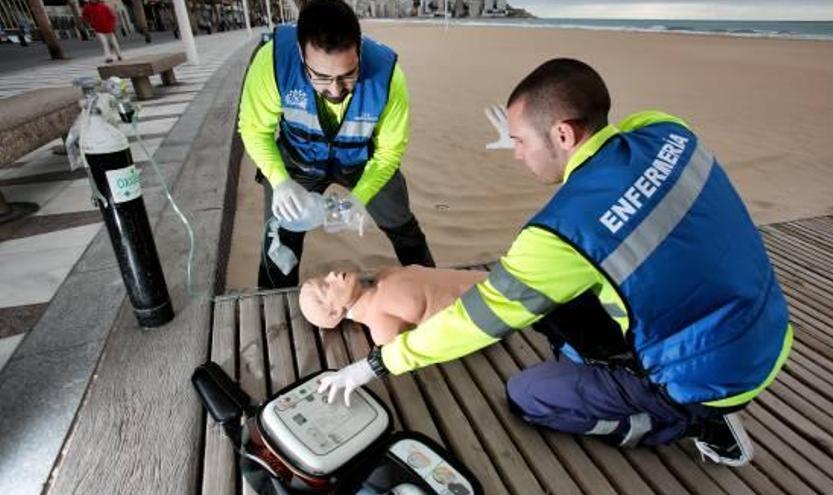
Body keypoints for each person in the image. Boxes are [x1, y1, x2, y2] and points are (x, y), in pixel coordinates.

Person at [317, 58, 794, 467]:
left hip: (709, 372)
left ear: (564, 133)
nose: (517, 153)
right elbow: (613, 152)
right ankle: (636, 374)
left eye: (520, 141)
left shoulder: (561, 233)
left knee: (531, 394)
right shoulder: (665, 128)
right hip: (767, 324)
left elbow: (476, 320)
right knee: (557, 297)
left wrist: (375, 366)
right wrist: (536, 140)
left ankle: (693, 421)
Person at [239, 0, 435, 289]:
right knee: (279, 236)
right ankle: (271, 306)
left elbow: (389, 151)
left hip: (362, 162)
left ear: (360, 50)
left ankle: (431, 285)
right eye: (320, 77)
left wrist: (361, 197)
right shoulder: (271, 63)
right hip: (298, 159)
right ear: (300, 54)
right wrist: (280, 182)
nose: (335, 90)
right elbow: (254, 129)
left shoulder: (389, 78)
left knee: (402, 226)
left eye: (348, 75)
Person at [299, 267, 487, 344]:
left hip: (494, 279)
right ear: (334, 313)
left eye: (325, 277)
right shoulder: (382, 327)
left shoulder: (384, 274)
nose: (332, 274)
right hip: (493, 313)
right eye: (326, 286)